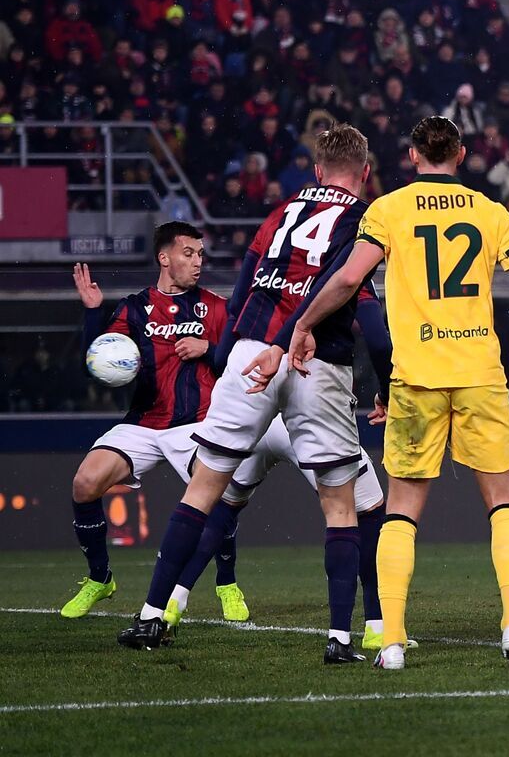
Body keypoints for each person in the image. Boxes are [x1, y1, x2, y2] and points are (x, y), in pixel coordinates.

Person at [283, 116, 509, 670]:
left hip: (416, 378)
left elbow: (344, 281)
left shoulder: (386, 210)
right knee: (504, 503)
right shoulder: (489, 212)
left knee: (402, 510)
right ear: (461, 155)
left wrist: (302, 324)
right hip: (480, 376)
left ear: (413, 156)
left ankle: (391, 640)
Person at [118, 124, 381, 664]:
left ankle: (151, 616)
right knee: (340, 503)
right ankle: (341, 637)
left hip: (249, 356)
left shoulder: (279, 214)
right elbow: (347, 296)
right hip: (315, 361)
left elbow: (242, 288)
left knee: (203, 489)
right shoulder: (363, 220)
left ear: (315, 170)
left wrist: (232, 352)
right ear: (365, 173)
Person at [60, 224, 229, 620]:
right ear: (164, 258)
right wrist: (91, 313)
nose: (197, 261)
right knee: (85, 483)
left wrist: (210, 348)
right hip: (144, 421)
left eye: (201, 254)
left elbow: (239, 360)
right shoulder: (133, 309)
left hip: (197, 422)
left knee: (220, 499)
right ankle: (100, 578)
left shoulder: (217, 307)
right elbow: (97, 363)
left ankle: (226, 582)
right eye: (188, 253)